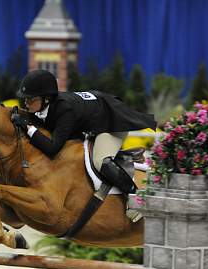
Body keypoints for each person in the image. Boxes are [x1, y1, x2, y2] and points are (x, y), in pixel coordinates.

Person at [11, 69, 156, 222]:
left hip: (112, 123)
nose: (26, 102)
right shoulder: (49, 106)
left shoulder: (64, 110)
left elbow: (52, 149)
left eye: (30, 99)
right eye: (25, 99)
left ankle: (136, 197)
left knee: (101, 161)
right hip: (95, 118)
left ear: (46, 99)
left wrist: (28, 128)